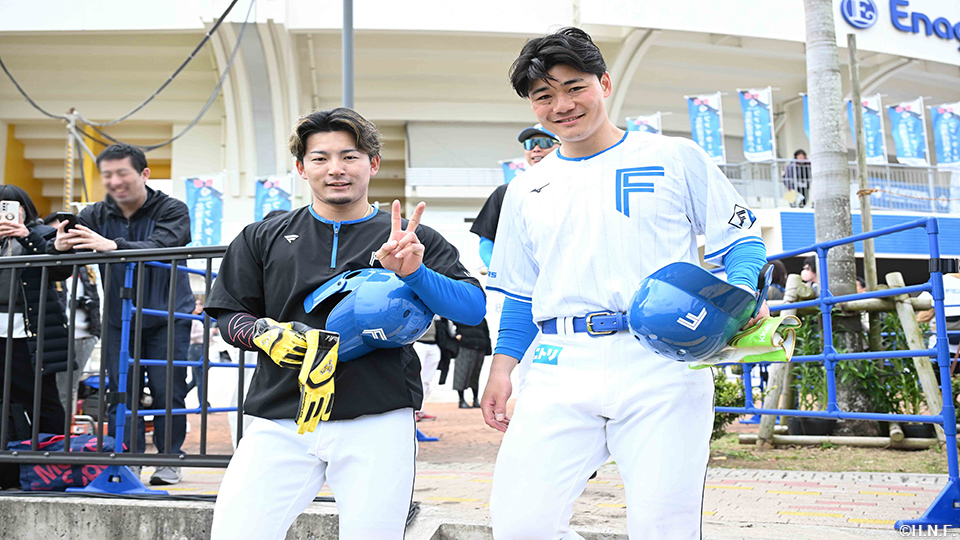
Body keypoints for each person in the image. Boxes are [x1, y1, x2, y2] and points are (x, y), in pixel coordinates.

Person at [481, 28, 768, 539]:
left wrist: (740, 295)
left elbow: (740, 239)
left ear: (605, 84)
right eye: (544, 95)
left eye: (575, 87)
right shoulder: (524, 190)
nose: (562, 105)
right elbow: (521, 293)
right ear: (532, 105)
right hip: (558, 363)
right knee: (519, 523)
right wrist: (502, 369)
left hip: (665, 360)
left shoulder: (675, 156)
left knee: (666, 524)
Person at [204, 108, 486, 540]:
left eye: (349, 156)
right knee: (236, 532)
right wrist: (262, 332)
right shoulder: (263, 235)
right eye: (320, 158)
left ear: (372, 164)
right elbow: (227, 314)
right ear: (301, 168)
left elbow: (471, 309)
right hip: (281, 415)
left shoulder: (413, 237)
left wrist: (414, 272)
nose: (335, 169)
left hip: (378, 414)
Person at [50, 143, 193, 486]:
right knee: (120, 392)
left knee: (167, 391)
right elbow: (63, 243)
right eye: (108, 175)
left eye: (122, 173)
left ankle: (169, 459)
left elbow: (164, 245)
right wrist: (57, 243)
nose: (115, 182)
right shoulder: (96, 214)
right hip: (119, 318)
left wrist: (113, 246)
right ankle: (128, 459)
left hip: (168, 316)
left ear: (144, 174)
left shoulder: (172, 209)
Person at [0, 186, 71, 436]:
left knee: (42, 398)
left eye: (9, 207)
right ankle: (11, 465)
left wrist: (25, 235)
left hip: (31, 332)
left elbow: (61, 270)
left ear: (24, 208)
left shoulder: (43, 233)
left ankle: (54, 463)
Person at [470, 124, 559, 268]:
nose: (536, 148)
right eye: (530, 144)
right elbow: (486, 240)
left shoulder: (576, 186)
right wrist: (497, 269)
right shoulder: (508, 192)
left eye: (544, 143)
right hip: (522, 282)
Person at [43, 213, 102, 419]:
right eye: (55, 233)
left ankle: (61, 439)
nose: (62, 237)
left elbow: (94, 298)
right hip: (52, 334)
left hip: (82, 334)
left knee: (67, 389)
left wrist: (96, 332)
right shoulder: (44, 262)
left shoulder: (85, 265)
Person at [452, 318, 491, 408]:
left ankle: (475, 399)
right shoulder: (460, 315)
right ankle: (461, 400)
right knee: (461, 373)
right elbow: (449, 325)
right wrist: (457, 336)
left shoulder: (482, 318)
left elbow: (486, 333)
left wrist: (487, 348)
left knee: (475, 374)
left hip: (480, 347)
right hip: (464, 346)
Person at [412, 317, 441, 421]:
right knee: (415, 378)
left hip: (434, 343)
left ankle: (420, 408)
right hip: (419, 343)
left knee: (427, 381)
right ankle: (412, 410)